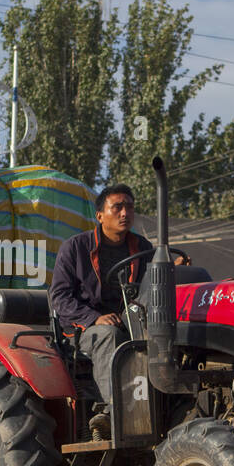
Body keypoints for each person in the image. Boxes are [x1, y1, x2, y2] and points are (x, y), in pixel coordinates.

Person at [49, 184, 154, 437]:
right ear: (100, 216)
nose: (124, 213)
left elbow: (151, 287)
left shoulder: (143, 247)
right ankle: (113, 412)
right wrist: (94, 318)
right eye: (117, 207)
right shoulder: (75, 248)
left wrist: (174, 268)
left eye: (129, 206)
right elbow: (60, 298)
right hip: (83, 330)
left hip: (132, 321)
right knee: (110, 336)